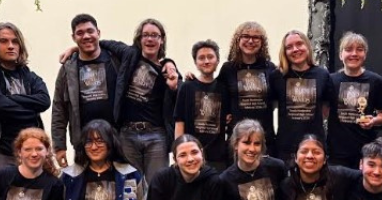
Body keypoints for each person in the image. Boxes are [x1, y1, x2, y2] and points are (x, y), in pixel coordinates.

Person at [0, 21, 51, 184]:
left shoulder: (28, 75)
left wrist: (8, 99)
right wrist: (31, 108)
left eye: (15, 42)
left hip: (30, 152)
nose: (10, 46)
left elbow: (44, 101)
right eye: (4, 41)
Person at [103, 18, 180, 182]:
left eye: (155, 35)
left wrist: (174, 86)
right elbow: (103, 43)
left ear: (161, 40)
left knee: (157, 186)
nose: (150, 39)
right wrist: (75, 48)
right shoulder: (129, 54)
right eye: (145, 35)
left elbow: (178, 99)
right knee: (131, 186)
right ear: (139, 39)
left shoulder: (167, 70)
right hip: (127, 135)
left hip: (156, 136)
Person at [52, 13, 122, 169]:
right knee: (84, 190)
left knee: (121, 188)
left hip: (117, 140)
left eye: (90, 31)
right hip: (83, 143)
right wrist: (59, 146)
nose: (86, 36)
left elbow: (139, 54)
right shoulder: (67, 69)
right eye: (80, 33)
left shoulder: (115, 60)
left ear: (99, 33)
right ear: (73, 37)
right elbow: (59, 110)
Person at [326, 32, 382, 167]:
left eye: (359, 50)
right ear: (341, 55)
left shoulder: (376, 81)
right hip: (337, 152)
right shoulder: (331, 80)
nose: (354, 54)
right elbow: (324, 111)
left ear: (365, 54)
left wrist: (374, 121)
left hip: (366, 152)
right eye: (348, 50)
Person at [271, 30, 330, 166]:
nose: (295, 49)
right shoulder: (277, 76)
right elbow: (271, 105)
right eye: (289, 47)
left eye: (299, 44)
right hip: (286, 147)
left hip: (314, 145)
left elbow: (326, 110)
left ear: (307, 47)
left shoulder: (322, 75)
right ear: (284, 52)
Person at [219, 21, 277, 156]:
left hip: (264, 137)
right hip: (237, 139)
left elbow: (276, 100)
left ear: (262, 42)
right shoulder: (228, 69)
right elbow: (214, 92)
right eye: (246, 36)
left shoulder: (270, 68)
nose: (251, 41)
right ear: (237, 40)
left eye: (256, 37)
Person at [173, 40, 229, 170]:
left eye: (210, 57)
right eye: (201, 58)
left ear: (217, 60)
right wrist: (178, 151)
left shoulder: (224, 88)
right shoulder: (187, 87)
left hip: (217, 156)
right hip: (191, 154)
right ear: (195, 63)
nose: (206, 61)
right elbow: (179, 121)